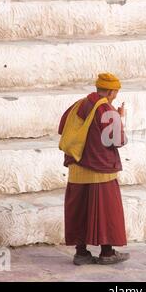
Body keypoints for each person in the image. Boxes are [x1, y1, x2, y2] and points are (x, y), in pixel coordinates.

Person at [58, 72, 129, 265]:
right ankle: (107, 253)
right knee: (106, 212)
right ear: (112, 91)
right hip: (101, 170)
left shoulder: (79, 104)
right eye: (115, 92)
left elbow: (63, 126)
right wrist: (118, 118)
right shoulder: (107, 110)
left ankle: (81, 253)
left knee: (80, 209)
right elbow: (118, 140)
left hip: (77, 169)